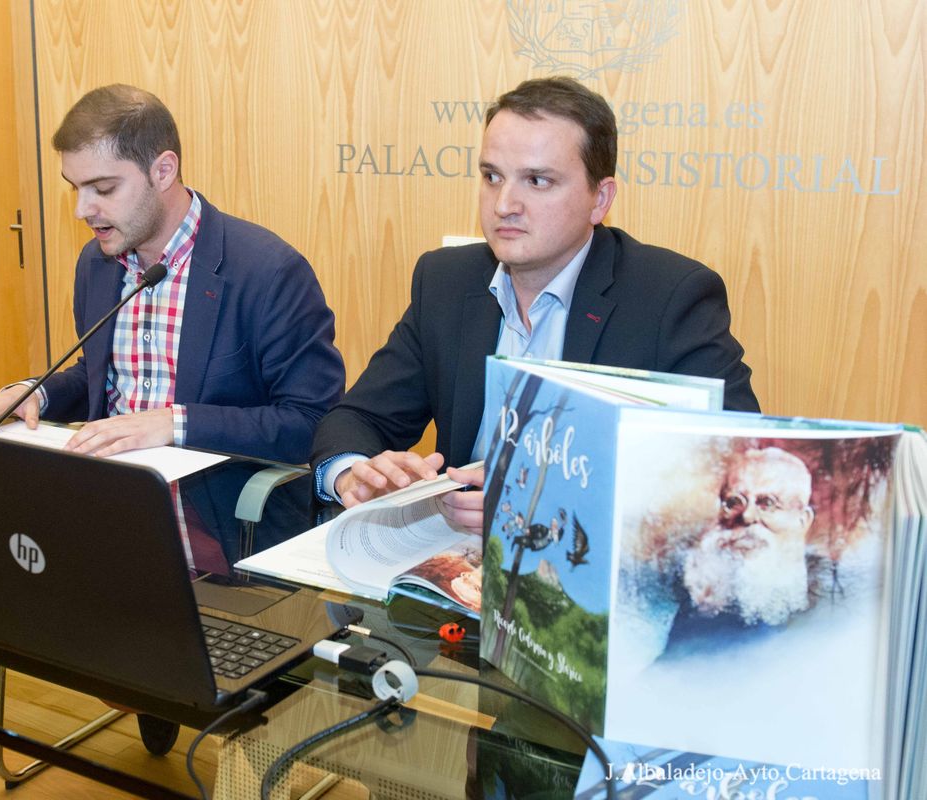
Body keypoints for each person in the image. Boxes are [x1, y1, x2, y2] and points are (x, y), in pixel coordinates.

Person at [311, 77, 759, 527]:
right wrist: (354, 474)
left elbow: (732, 471)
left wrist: (547, 506)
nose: (504, 204)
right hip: (453, 549)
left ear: (600, 199)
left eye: (537, 181)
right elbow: (357, 419)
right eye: (492, 177)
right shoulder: (446, 281)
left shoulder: (669, 298)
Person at [0, 84, 343, 465]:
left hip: (216, 500)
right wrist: (34, 394)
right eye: (74, 189)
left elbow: (310, 421)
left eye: (103, 189)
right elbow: (100, 375)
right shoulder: (96, 263)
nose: (81, 210)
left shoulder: (269, 271)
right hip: (111, 487)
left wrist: (176, 423)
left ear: (163, 171)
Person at [665, 446, 814, 651]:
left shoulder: (830, 605)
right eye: (734, 502)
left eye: (767, 503)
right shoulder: (699, 602)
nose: (747, 516)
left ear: (802, 521)